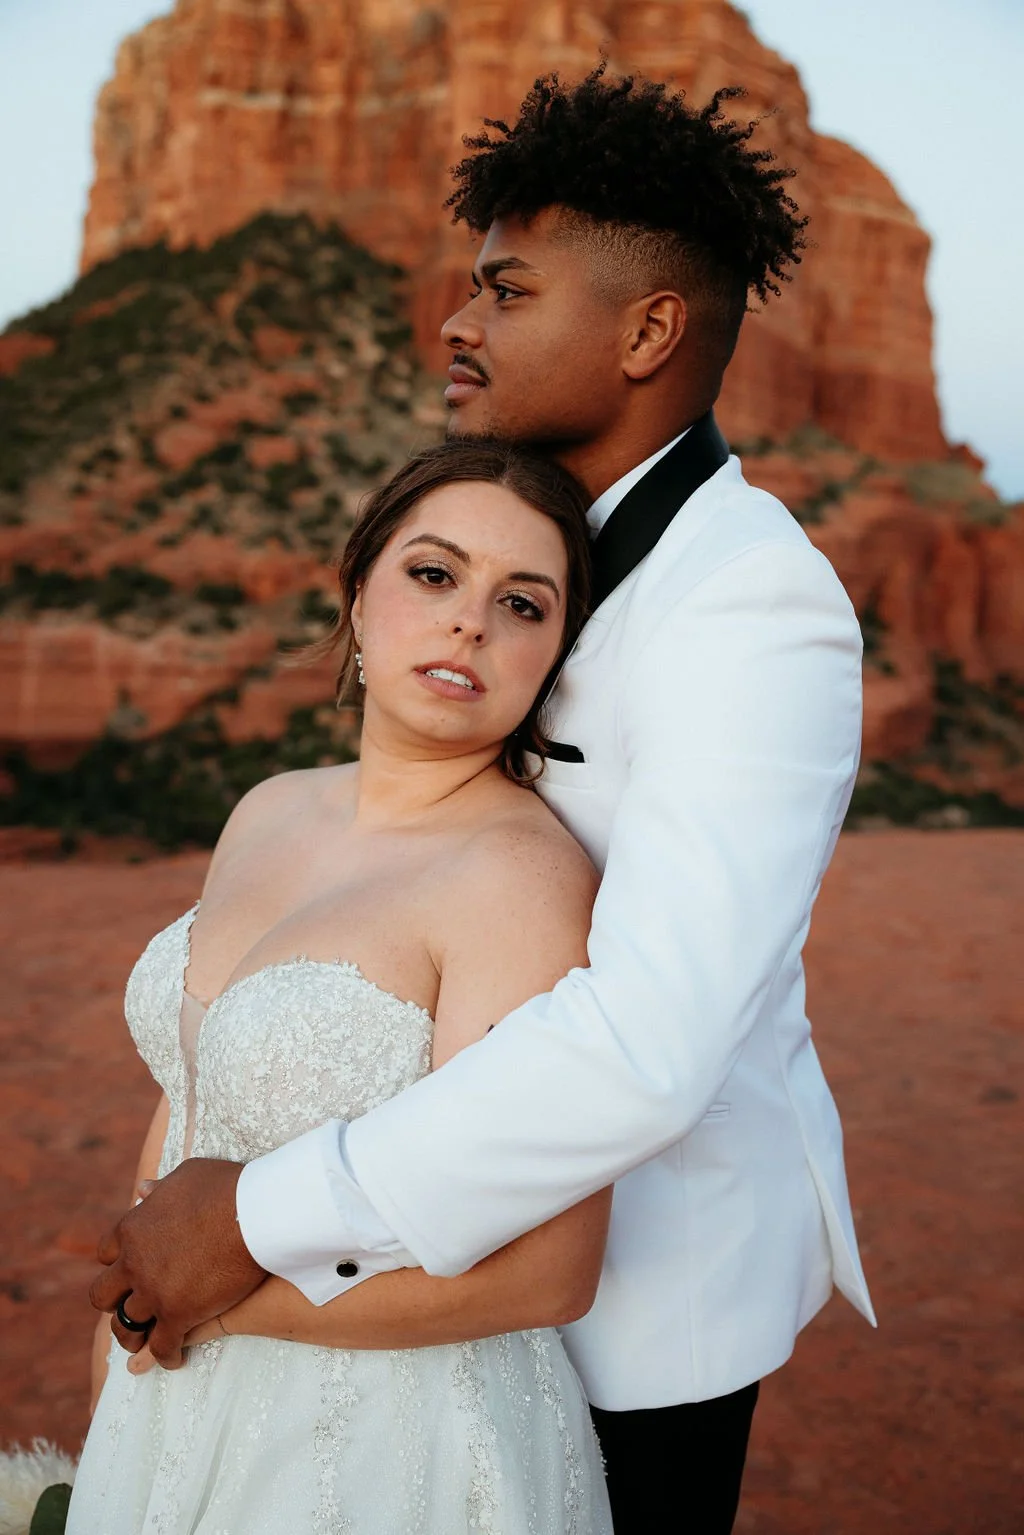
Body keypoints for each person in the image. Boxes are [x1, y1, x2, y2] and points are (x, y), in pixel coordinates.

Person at [91, 70, 876, 1533]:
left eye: (506, 291)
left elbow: (653, 1037)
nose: (457, 323)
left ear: (648, 329)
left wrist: (259, 1213)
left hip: (628, 1308)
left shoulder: (754, 601)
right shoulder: (545, 532)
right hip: (391, 1277)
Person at [69, 442, 615, 1533]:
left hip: (388, 1444)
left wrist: (220, 1306)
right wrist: (116, 1395)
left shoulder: (520, 877)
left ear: (553, 653)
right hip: (167, 1399)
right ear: (357, 594)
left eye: (522, 603)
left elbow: (549, 1273)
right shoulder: (269, 806)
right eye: (432, 574)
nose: (470, 621)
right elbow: (187, 1104)